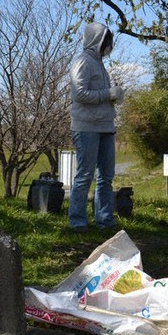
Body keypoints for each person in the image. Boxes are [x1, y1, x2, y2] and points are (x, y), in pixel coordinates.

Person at [68, 22, 124, 233]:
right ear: (97, 40)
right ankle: (77, 221)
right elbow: (79, 95)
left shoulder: (99, 64)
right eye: (106, 42)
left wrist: (115, 96)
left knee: (106, 176)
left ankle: (104, 219)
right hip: (86, 127)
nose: (109, 46)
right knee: (84, 175)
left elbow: (98, 94)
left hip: (105, 126)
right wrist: (106, 94)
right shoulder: (82, 62)